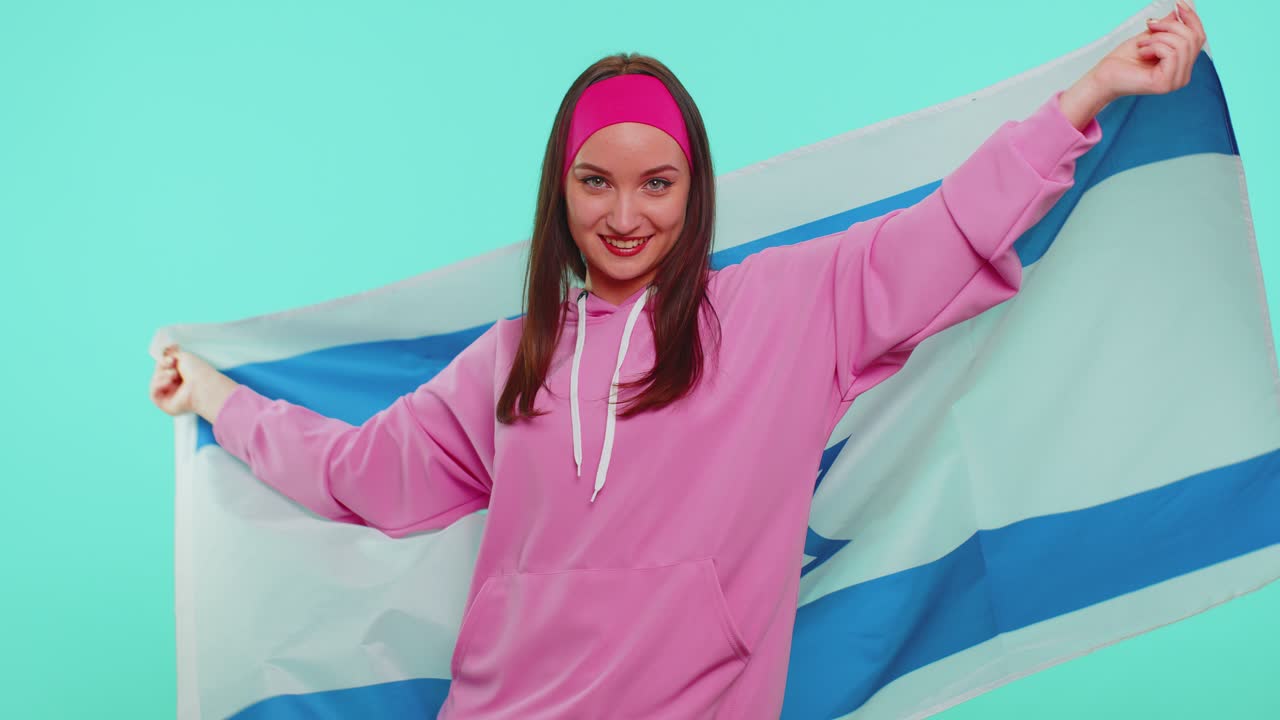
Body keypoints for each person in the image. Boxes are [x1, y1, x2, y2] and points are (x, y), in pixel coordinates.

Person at [151, 5, 1206, 718]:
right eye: (594, 183)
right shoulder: (510, 360)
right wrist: (218, 398)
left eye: (655, 183)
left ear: (692, 187)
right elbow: (364, 478)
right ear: (558, 192)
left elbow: (940, 236)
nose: (623, 214)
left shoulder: (786, 309)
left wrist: (1090, 93)